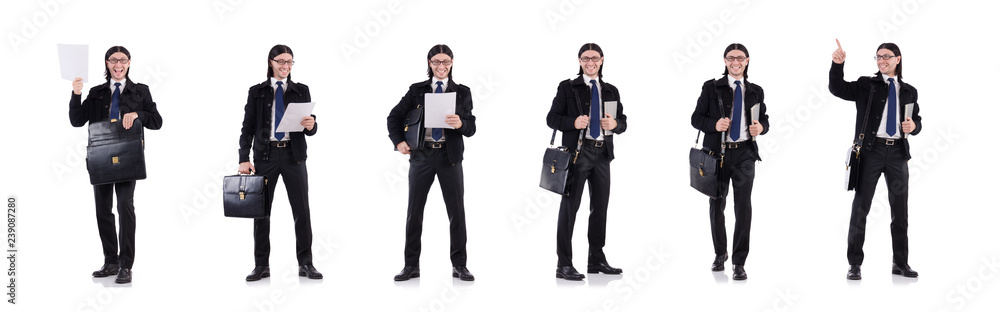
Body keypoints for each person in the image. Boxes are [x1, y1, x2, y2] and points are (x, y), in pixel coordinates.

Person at [69, 46, 163, 284]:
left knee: (125, 207)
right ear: (107, 63)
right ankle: (110, 261)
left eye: (122, 60)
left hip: (127, 157)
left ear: (129, 63)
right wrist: (76, 94)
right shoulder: (97, 92)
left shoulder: (140, 91)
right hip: (100, 157)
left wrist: (137, 114)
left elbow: (157, 122)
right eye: (113, 60)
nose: (118, 64)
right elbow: (77, 120)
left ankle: (125, 265)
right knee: (103, 210)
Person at [829, 39, 921, 280]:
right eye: (878, 57)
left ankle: (900, 263)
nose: (881, 60)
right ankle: (855, 264)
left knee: (900, 210)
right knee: (861, 208)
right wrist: (837, 65)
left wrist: (914, 126)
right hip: (870, 152)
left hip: (898, 154)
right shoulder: (865, 85)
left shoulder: (909, 90)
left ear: (897, 60)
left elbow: (917, 121)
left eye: (886, 56)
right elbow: (837, 88)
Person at [386, 44, 477, 282]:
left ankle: (460, 265)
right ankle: (410, 265)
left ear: (452, 63)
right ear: (429, 64)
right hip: (422, 156)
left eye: (445, 62)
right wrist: (398, 142)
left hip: (450, 158)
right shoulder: (417, 90)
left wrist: (460, 124)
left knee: (457, 213)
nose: (441, 66)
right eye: (436, 62)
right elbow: (393, 117)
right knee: (414, 212)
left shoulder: (463, 92)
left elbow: (472, 127)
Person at [238, 44, 322, 281]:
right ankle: (261, 265)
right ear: (271, 62)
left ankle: (306, 263)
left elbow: (311, 127)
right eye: (281, 61)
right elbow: (247, 127)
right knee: (261, 212)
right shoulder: (257, 91)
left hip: (294, 156)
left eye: (290, 62)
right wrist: (243, 158)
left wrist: (312, 125)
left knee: (302, 211)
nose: (286, 66)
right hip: (265, 157)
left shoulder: (301, 90)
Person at [546, 43, 627, 281]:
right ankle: (564, 263)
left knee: (600, 208)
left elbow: (622, 121)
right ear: (579, 61)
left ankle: (596, 259)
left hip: (602, 154)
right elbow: (551, 118)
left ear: (602, 60)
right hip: (576, 155)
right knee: (569, 209)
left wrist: (615, 125)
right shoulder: (568, 87)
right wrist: (573, 122)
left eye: (594, 58)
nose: (590, 62)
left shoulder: (611, 90)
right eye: (585, 59)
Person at [690, 43, 769, 281]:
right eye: (731, 58)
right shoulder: (711, 87)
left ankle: (739, 261)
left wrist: (761, 127)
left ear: (747, 60)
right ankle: (719, 253)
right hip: (718, 154)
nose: (736, 62)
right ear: (725, 61)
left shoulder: (756, 90)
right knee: (717, 205)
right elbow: (696, 119)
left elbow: (764, 119)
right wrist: (714, 125)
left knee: (743, 207)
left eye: (740, 58)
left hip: (745, 153)